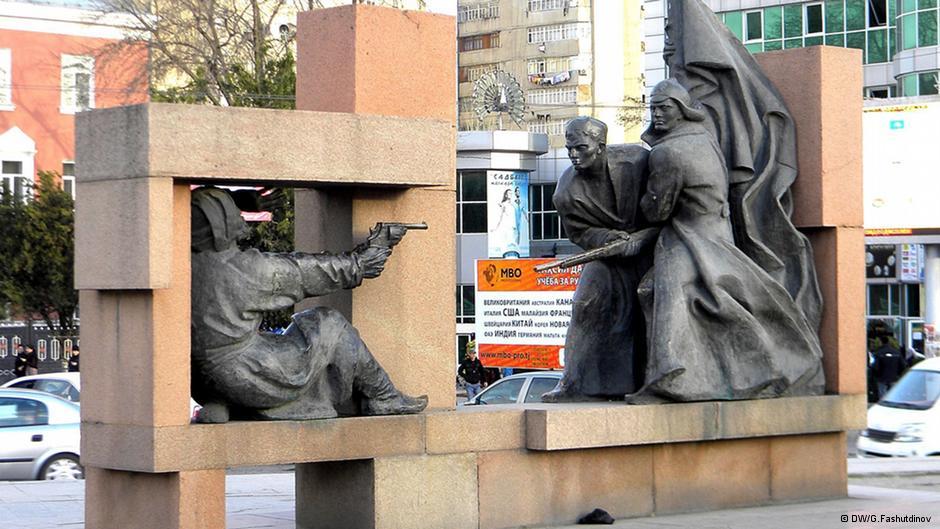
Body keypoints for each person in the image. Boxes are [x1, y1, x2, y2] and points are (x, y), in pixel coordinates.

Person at [628, 79, 823, 402]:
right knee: (670, 293)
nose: (657, 115)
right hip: (718, 234)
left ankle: (669, 378)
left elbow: (657, 211)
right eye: (653, 108)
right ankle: (741, 370)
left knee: (666, 296)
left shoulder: (667, 153)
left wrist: (642, 201)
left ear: (682, 110)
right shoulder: (705, 139)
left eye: (665, 108)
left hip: (689, 238)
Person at [189, 187, 427, 423]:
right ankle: (384, 397)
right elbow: (308, 271)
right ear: (226, 224)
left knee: (297, 329)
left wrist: (240, 200)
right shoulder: (245, 269)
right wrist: (369, 255)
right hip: (247, 374)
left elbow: (196, 204)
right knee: (328, 322)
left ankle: (222, 403)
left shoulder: (187, 263)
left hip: (200, 381)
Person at [541, 116, 657, 402]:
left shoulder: (637, 161)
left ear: (601, 146)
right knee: (585, 302)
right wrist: (606, 238)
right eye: (569, 149)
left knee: (654, 301)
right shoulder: (566, 192)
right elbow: (580, 233)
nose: (573, 156)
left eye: (581, 148)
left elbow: (669, 207)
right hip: (610, 256)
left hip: (656, 247)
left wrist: (641, 239)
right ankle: (572, 382)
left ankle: (656, 382)